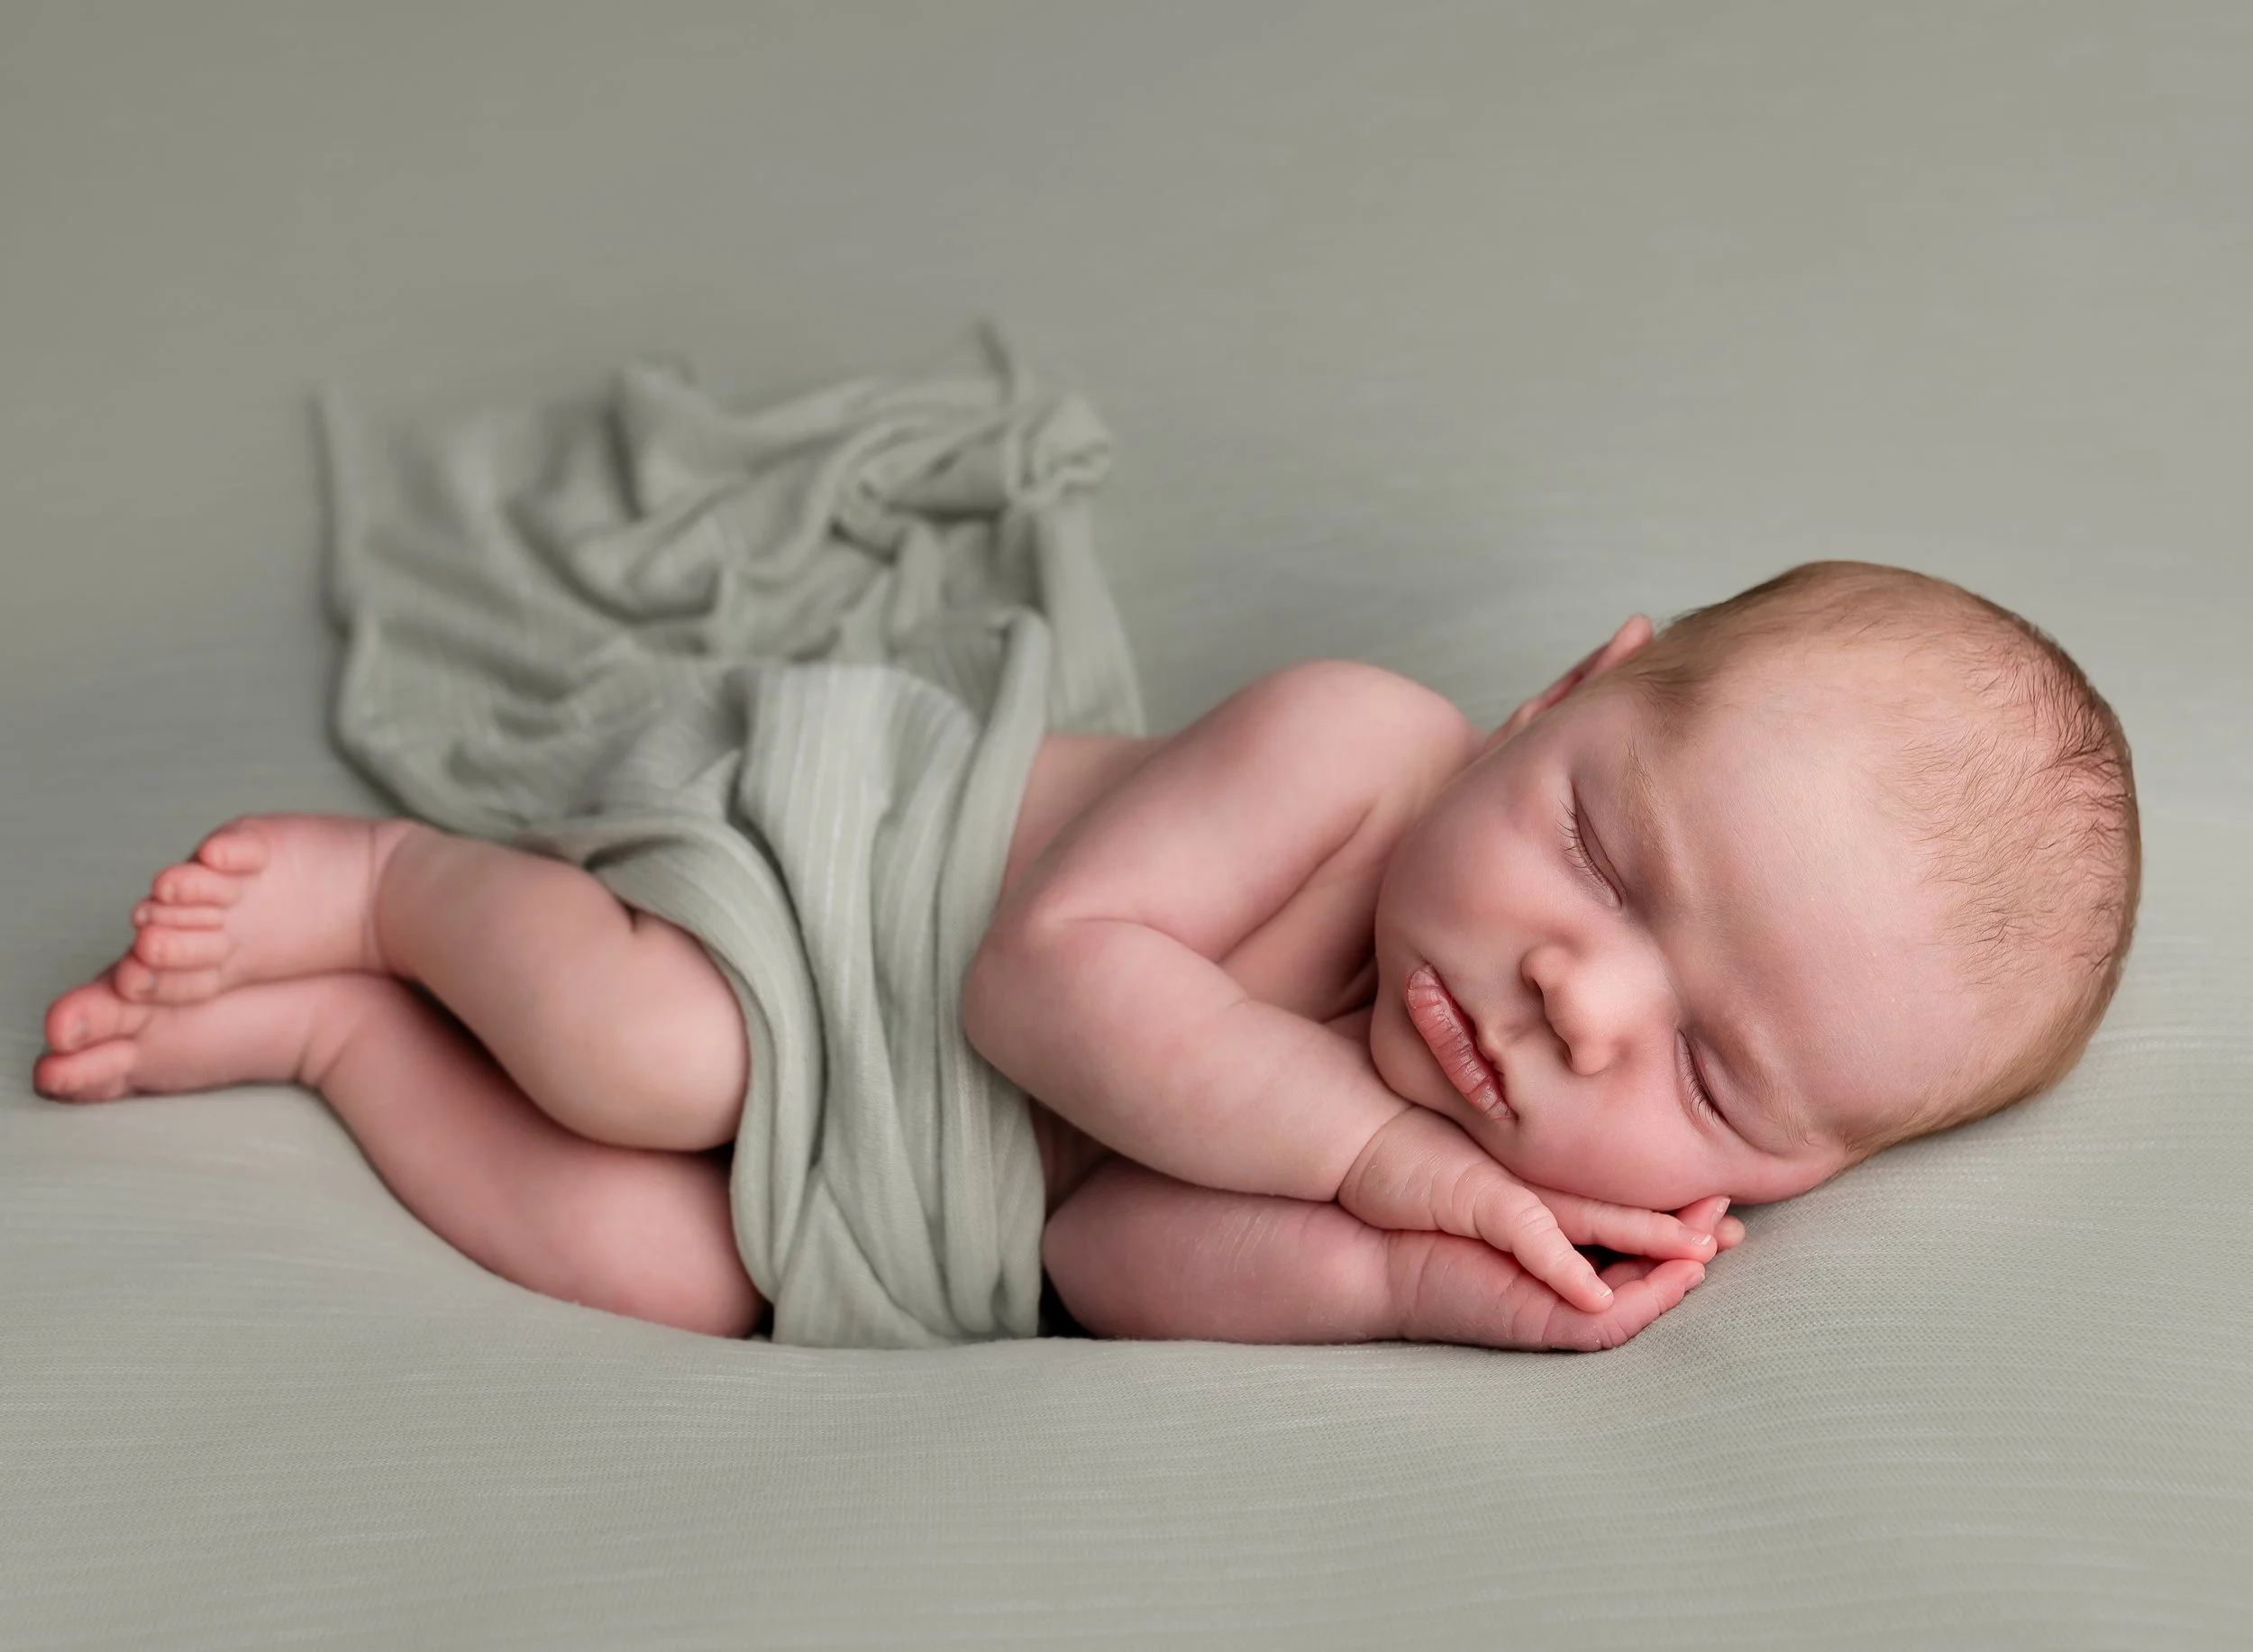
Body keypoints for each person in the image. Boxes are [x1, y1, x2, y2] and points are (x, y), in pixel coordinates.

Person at [32, 561, 2139, 1353]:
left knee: (667, 1272)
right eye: (1597, 850)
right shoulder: (1355, 745)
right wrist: (1383, 1168)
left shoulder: (1481, 1171)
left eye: (1711, 1080)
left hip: (915, 1202)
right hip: (851, 903)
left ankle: (335, 1037)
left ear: (1798, 1179)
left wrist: (1405, 1283)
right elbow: (1043, 986)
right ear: (1551, 699)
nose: (1576, 1000)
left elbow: (1106, 1262)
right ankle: (401, 890)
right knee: (649, 1057)